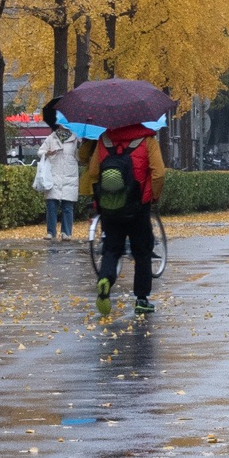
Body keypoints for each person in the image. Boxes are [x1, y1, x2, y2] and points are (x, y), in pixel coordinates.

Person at [83, 118, 167, 312]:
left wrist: (101, 197)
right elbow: (159, 173)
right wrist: (153, 196)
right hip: (138, 206)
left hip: (111, 206)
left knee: (111, 249)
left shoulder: (105, 140)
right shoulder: (147, 141)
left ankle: (105, 278)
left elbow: (94, 172)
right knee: (142, 252)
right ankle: (141, 300)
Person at [33, 108, 82, 243]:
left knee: (67, 206)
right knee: (51, 205)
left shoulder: (75, 139)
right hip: (53, 174)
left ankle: (66, 233)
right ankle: (51, 232)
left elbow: (80, 158)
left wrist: (79, 146)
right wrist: (48, 152)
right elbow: (40, 151)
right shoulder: (51, 137)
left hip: (69, 175)